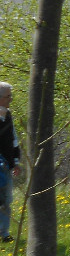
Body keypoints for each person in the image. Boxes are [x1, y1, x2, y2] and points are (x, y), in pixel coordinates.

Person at [0, 83, 20, 243]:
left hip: (5, 165)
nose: (11, 99)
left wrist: (15, 162)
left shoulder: (9, 115)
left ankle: (4, 234)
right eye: (8, 97)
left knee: (6, 200)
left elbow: (13, 139)